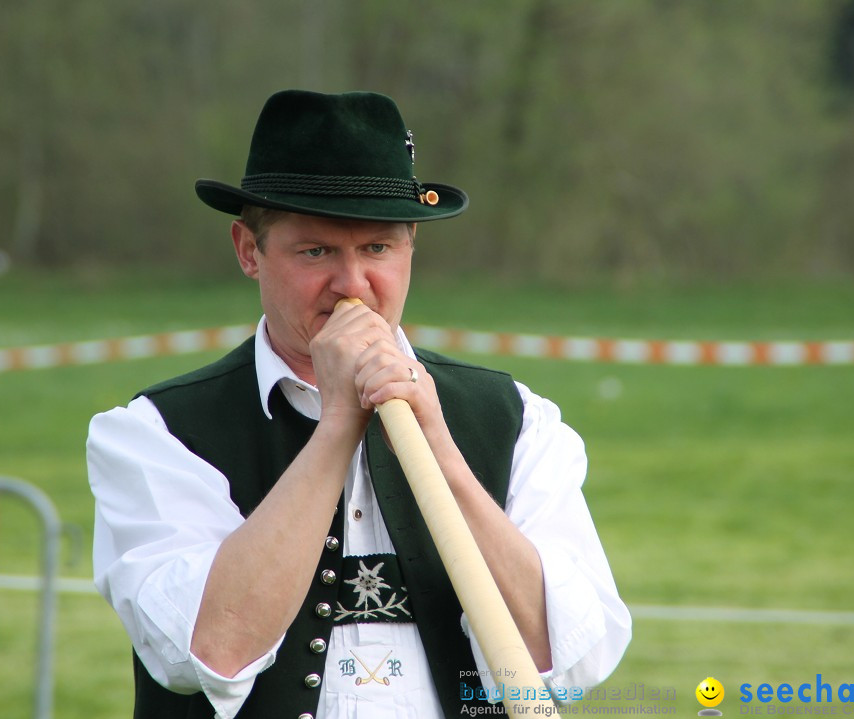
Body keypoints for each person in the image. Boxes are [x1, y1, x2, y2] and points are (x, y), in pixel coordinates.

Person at [87, 89, 631, 719]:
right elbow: (208, 649)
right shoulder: (156, 433)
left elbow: (571, 661)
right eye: (315, 251)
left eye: (377, 249)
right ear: (248, 250)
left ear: (410, 251)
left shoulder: (517, 420)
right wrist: (339, 423)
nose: (352, 284)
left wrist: (441, 449)